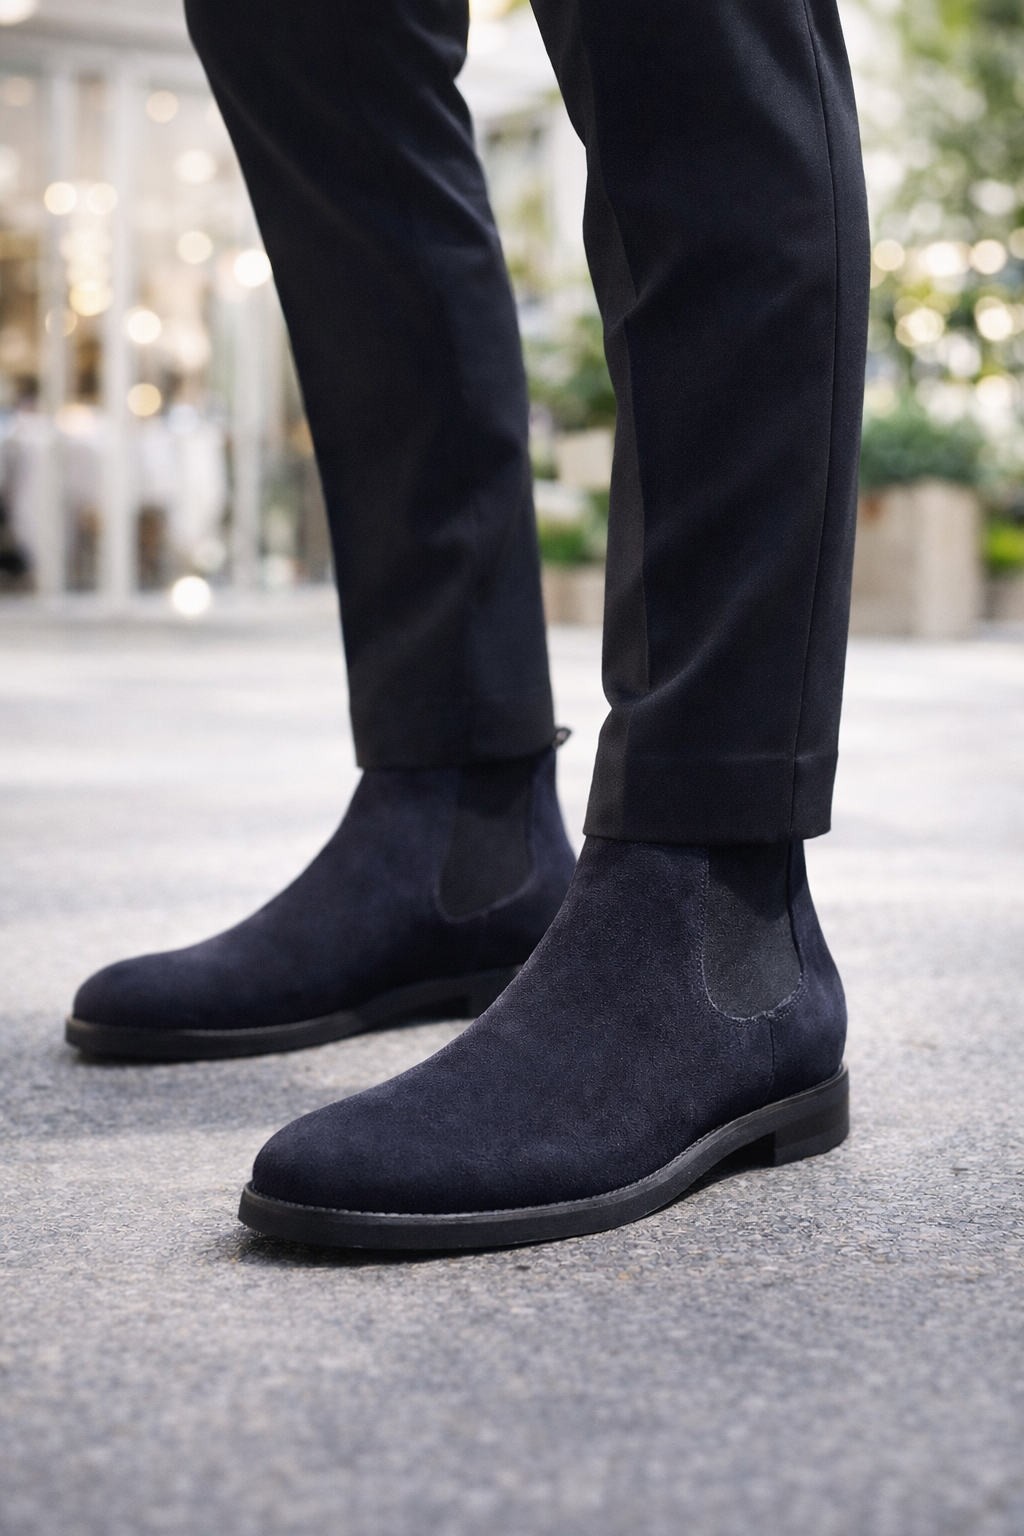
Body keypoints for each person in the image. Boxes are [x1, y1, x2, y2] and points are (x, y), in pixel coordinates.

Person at [68, 0, 868, 1250]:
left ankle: (723, 911)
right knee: (304, 39)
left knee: (684, 39)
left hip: (714, 887)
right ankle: (455, 829)